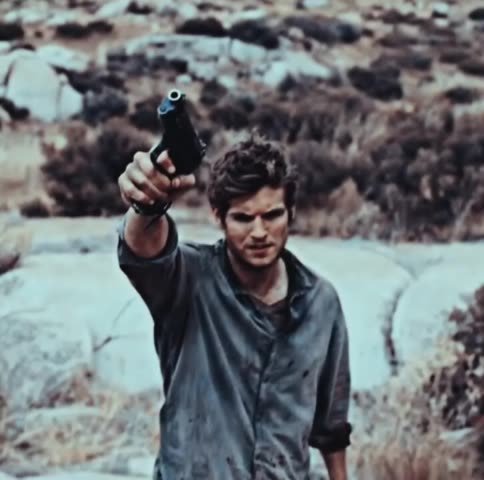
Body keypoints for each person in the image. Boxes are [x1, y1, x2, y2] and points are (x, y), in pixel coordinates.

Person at [116, 131, 352, 480]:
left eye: (272, 215)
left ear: (291, 213)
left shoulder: (321, 302)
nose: (259, 232)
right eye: (243, 218)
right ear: (218, 216)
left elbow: (331, 426)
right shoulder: (188, 281)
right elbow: (144, 251)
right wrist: (147, 204)